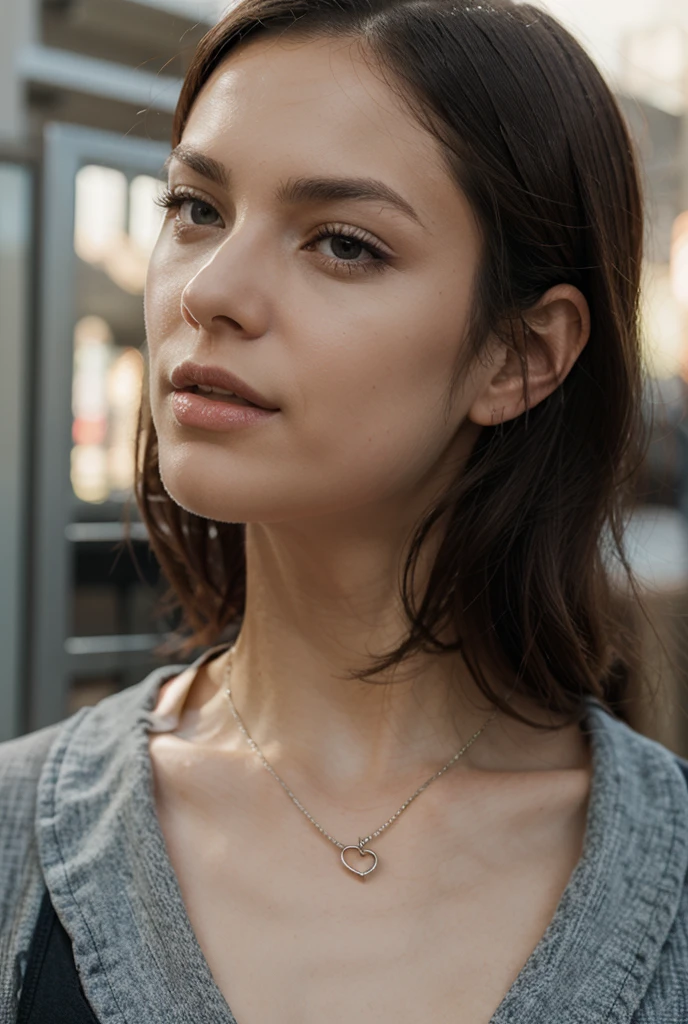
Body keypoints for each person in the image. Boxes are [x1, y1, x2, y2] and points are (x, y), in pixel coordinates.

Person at [2, 0, 688, 1021]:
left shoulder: (663, 877)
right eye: (196, 207)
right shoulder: (19, 836)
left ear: (521, 355)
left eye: (342, 243)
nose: (212, 290)